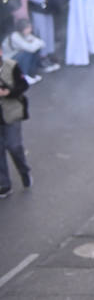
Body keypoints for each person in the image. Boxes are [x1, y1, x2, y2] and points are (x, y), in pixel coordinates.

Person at [0, 46, 31, 197]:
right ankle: (4, 184)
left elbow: (24, 85)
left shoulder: (11, 66)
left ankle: (24, 172)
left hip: (11, 113)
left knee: (14, 146)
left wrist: (8, 92)